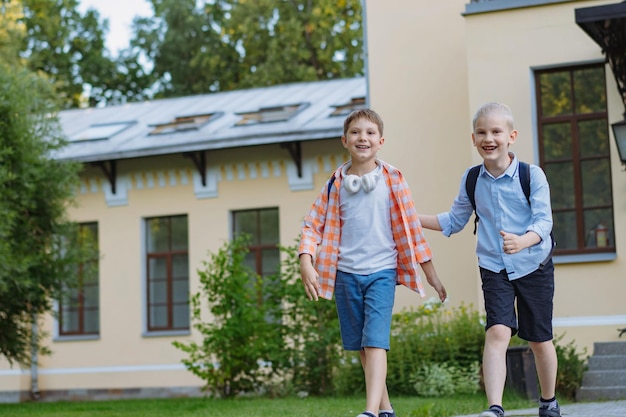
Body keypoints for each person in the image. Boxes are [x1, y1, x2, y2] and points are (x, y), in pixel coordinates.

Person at [299, 108, 447, 417]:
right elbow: (312, 226)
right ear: (344, 140)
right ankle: (386, 409)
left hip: (382, 272)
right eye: (355, 132)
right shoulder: (335, 185)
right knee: (362, 347)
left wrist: (430, 274)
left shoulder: (392, 180)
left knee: (376, 341)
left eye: (369, 133)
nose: (362, 138)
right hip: (345, 275)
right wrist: (306, 260)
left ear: (381, 141)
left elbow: (411, 229)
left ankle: (370, 412)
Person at [418, 102, 560, 417]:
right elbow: (454, 221)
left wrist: (523, 240)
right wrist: (412, 219)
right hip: (494, 267)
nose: (489, 138)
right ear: (474, 138)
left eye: (496, 131)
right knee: (498, 330)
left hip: (533, 263)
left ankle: (548, 401)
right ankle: (495, 407)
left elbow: (544, 221)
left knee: (539, 339)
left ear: (511, 136)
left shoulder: (531, 175)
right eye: (482, 132)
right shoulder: (472, 179)